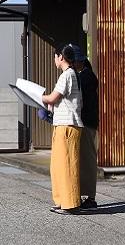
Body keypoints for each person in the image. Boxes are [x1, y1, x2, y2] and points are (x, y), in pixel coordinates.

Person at [42, 44, 84, 215]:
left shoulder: (66, 75)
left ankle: (70, 203)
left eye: (55, 57)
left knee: (66, 165)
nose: (54, 60)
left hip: (67, 126)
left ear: (60, 57)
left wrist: (38, 97)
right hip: (64, 124)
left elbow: (53, 97)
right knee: (59, 165)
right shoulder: (72, 74)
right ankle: (62, 201)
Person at [73, 44, 99, 209]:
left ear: (78, 62)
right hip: (86, 122)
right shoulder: (84, 75)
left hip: (87, 123)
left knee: (88, 160)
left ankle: (90, 197)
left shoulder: (85, 77)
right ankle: (85, 195)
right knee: (84, 159)